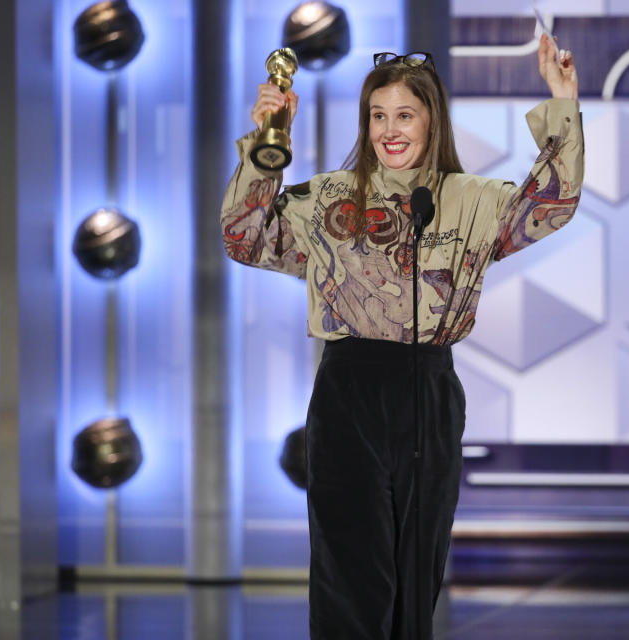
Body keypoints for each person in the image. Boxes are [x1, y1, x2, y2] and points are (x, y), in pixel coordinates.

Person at [221, 33, 582, 640]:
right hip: (349, 394)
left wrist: (562, 102)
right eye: (377, 115)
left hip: (429, 392)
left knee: (415, 577)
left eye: (404, 115)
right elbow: (244, 238)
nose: (389, 130)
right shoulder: (329, 199)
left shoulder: (472, 201)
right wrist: (266, 141)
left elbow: (552, 203)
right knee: (351, 576)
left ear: (431, 122)